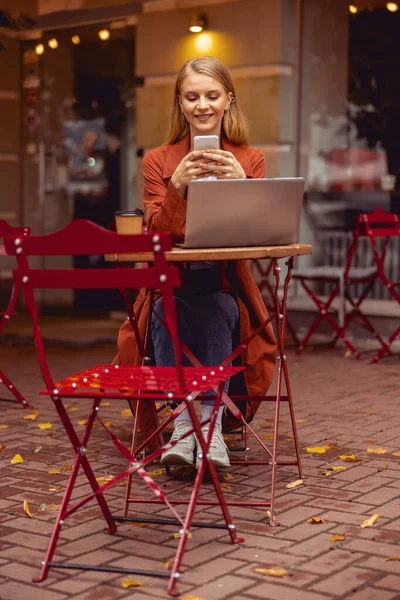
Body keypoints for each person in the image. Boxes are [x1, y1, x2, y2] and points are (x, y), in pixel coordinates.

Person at [114, 56, 276, 468]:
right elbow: (156, 233)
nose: (202, 105)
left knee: (215, 306)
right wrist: (178, 188)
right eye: (192, 97)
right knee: (170, 309)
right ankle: (189, 427)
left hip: (226, 286)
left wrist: (243, 185)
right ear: (180, 104)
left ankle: (205, 427)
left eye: (211, 95)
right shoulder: (158, 160)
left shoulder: (250, 159)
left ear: (228, 101)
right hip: (169, 285)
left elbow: (260, 235)